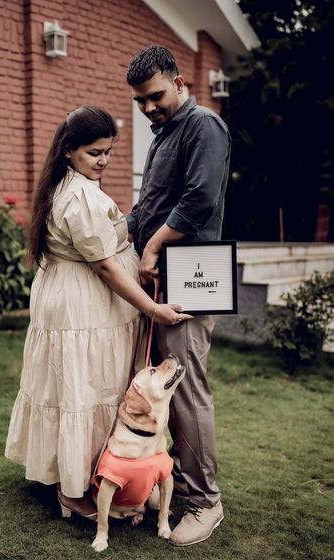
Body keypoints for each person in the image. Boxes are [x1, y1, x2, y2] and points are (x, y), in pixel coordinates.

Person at [4, 105, 191, 519]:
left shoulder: (68, 185)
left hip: (70, 299)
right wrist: (152, 308)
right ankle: (73, 492)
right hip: (83, 307)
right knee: (84, 390)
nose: (103, 160)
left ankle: (70, 474)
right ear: (69, 150)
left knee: (73, 387)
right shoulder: (80, 196)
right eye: (94, 152)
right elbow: (105, 266)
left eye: (108, 151)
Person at [126, 46, 231, 545]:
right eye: (140, 101)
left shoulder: (203, 125)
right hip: (162, 278)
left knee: (185, 391)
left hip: (191, 274)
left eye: (155, 96)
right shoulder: (164, 134)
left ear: (180, 82)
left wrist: (151, 245)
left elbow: (199, 199)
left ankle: (205, 502)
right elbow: (150, 205)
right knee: (162, 386)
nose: (148, 107)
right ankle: (172, 482)